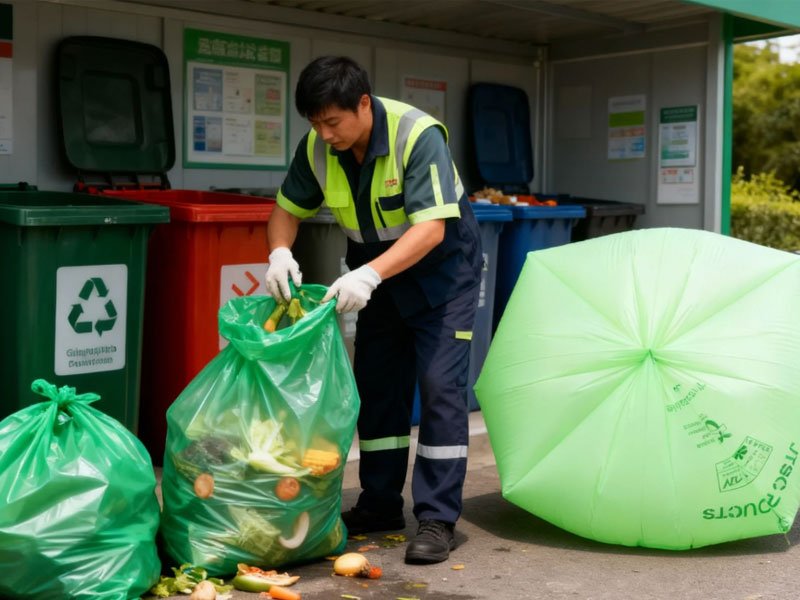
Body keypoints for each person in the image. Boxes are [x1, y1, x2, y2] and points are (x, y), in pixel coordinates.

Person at [265, 56, 482, 565]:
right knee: (378, 386)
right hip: (378, 272)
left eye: (333, 121)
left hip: (441, 276)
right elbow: (284, 212)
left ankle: (436, 517)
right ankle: (380, 504)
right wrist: (279, 252)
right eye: (315, 123)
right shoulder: (319, 147)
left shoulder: (417, 135)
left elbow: (430, 229)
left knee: (437, 387)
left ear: (364, 104)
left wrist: (369, 274)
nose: (324, 133)